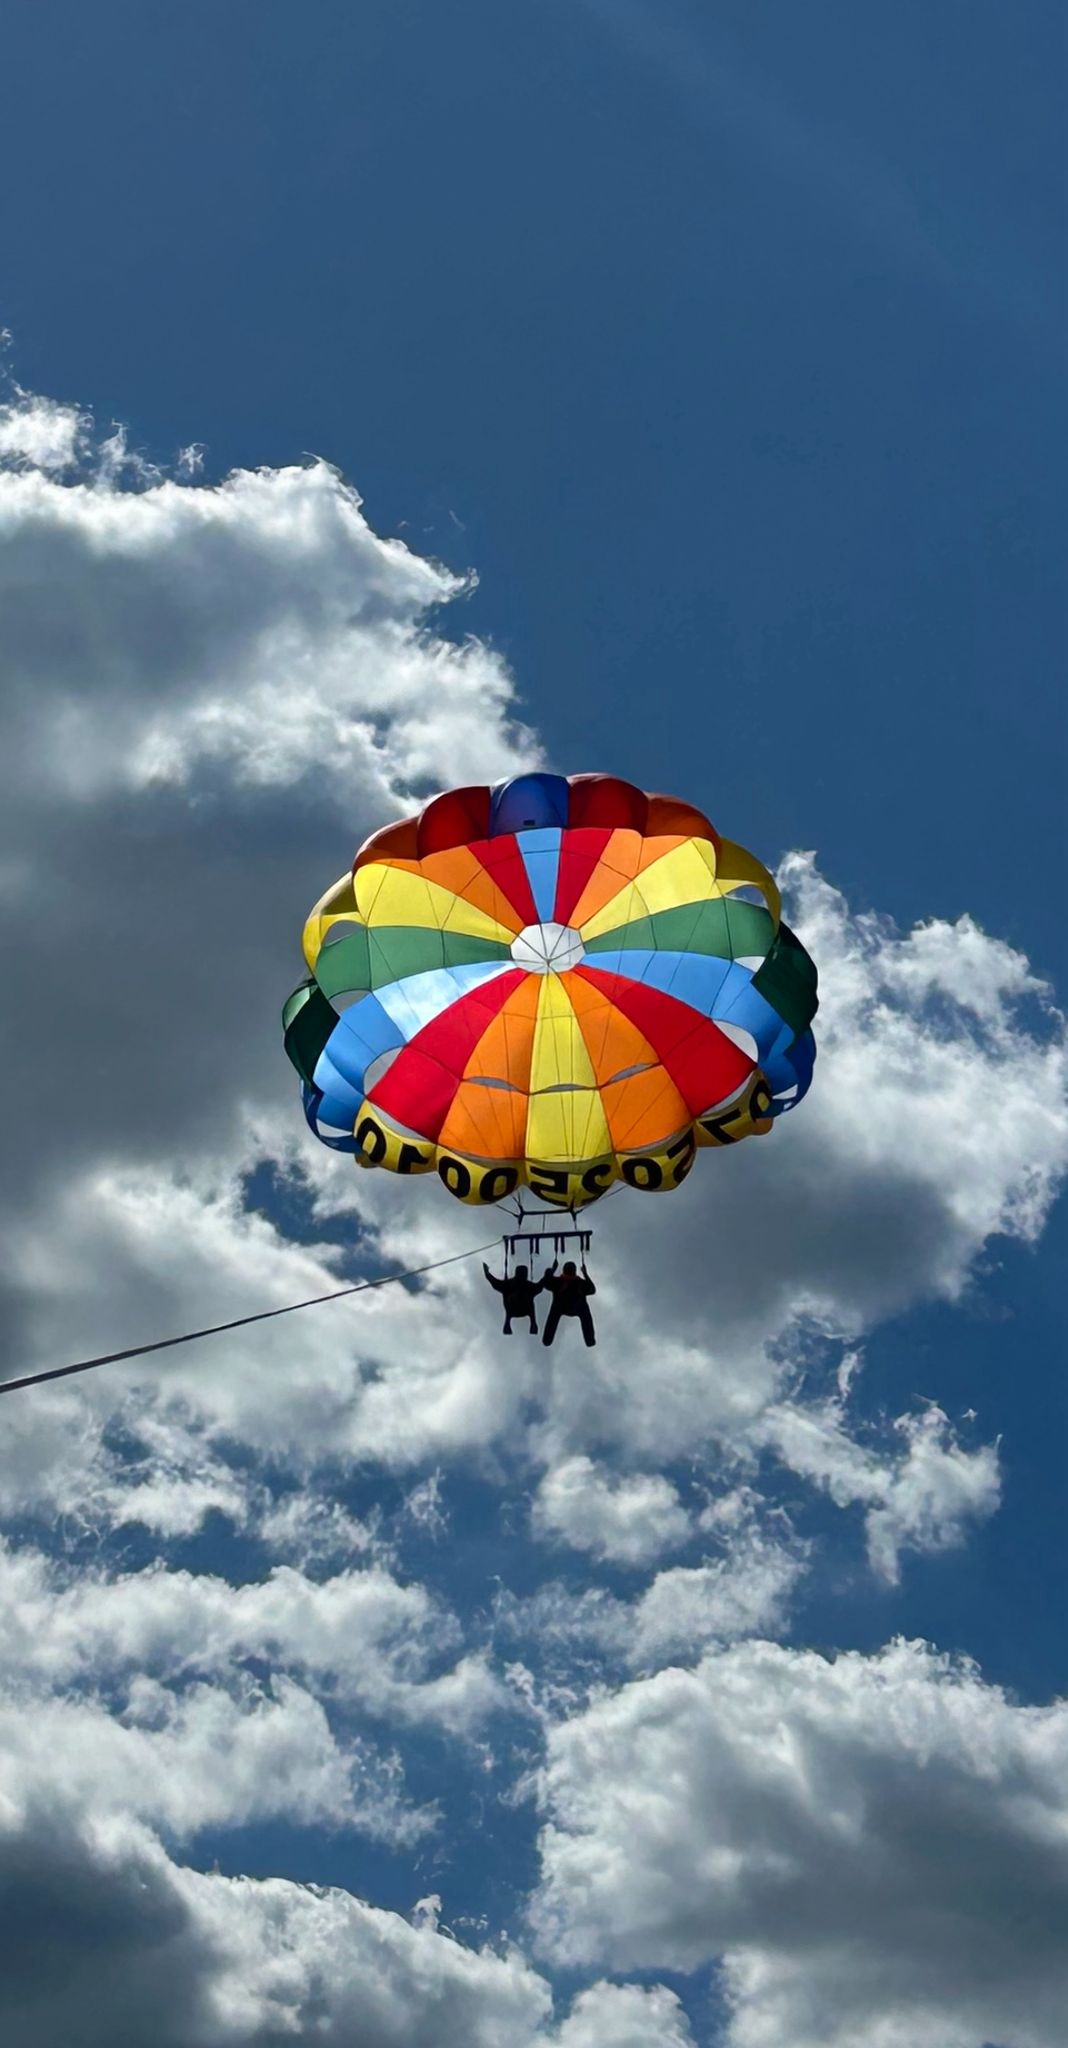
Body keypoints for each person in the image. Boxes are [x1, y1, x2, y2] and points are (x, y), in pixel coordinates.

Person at [541, 1259, 596, 1348]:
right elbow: (592, 1290)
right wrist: (585, 1274)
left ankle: (547, 1339)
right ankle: (590, 1340)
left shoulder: (559, 1281)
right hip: (574, 1307)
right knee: (585, 1314)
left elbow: (546, 1282)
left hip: (563, 1307)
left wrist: (552, 1270)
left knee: (554, 1313)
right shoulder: (579, 1282)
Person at [483, 1260, 545, 1335]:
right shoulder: (526, 1285)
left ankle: (531, 1323)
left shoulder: (510, 1284)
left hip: (517, 1308)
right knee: (524, 1297)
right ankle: (532, 1323)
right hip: (518, 1307)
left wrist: (487, 1273)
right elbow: (540, 1285)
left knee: (525, 1297)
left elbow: (495, 1283)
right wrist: (487, 1274)